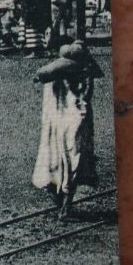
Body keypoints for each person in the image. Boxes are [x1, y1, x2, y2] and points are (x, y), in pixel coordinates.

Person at [33, 42, 102, 220]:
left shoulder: (53, 81)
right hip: (73, 124)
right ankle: (65, 207)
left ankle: (61, 204)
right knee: (74, 162)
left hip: (56, 125)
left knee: (56, 161)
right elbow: (84, 101)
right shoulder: (82, 80)